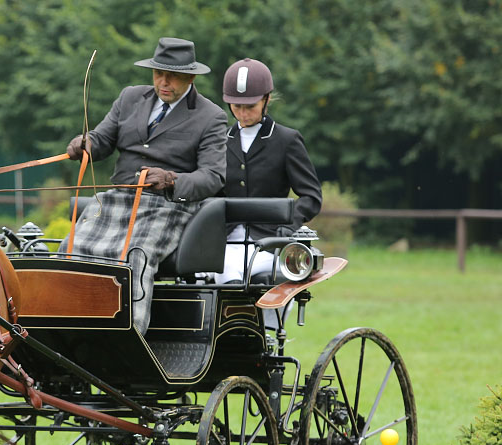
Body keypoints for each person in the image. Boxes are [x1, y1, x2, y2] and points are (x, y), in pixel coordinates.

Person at [64, 37, 227, 334]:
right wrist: (85, 143)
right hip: (117, 199)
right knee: (70, 248)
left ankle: (127, 337)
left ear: (190, 76)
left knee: (134, 256)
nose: (163, 82)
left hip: (167, 206)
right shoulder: (129, 98)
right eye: (158, 74)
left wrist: (171, 179)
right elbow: (102, 140)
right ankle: (66, 328)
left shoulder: (210, 116)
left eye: (172, 76)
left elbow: (213, 176)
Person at [217, 58, 322, 284]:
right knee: (224, 273)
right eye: (237, 107)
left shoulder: (287, 140)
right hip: (225, 241)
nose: (243, 114)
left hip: (271, 242)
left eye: (250, 107)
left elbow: (311, 196)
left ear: (266, 99)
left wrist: (288, 225)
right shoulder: (218, 141)